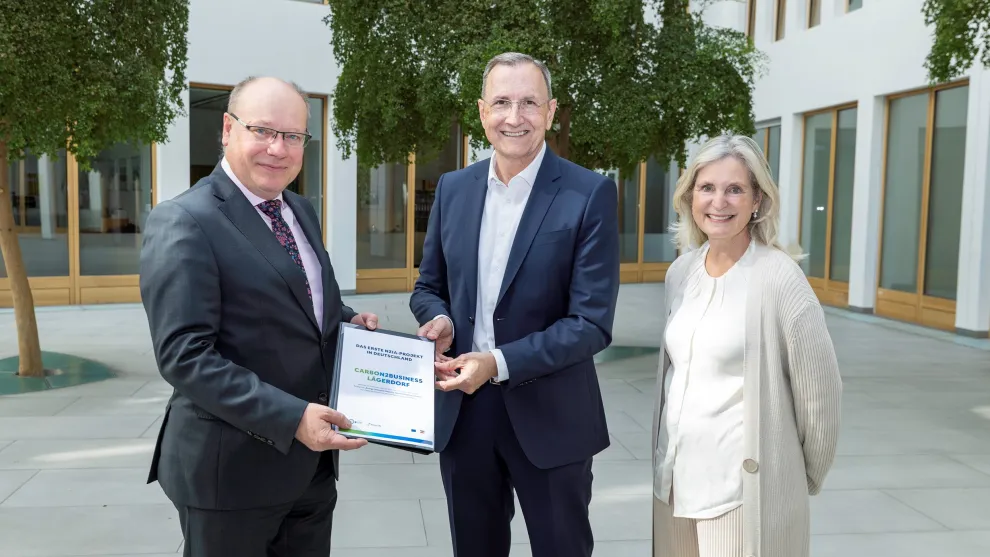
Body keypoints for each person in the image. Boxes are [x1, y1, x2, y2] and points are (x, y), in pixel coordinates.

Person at [139, 76, 373, 557]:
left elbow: (301, 304)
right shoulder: (185, 220)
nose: (277, 148)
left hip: (310, 470)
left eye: (292, 136)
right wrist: (292, 418)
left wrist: (348, 323)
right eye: (262, 130)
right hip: (231, 477)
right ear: (227, 129)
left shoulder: (300, 210)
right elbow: (185, 356)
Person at [409, 52, 620, 557]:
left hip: (552, 416)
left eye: (529, 102)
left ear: (550, 112)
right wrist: (436, 318)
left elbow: (591, 323)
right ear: (482, 112)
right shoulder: (454, 189)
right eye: (502, 102)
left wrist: (498, 362)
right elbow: (428, 285)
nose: (514, 116)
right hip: (464, 414)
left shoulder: (589, 193)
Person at [651, 135, 843, 557]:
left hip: (740, 494)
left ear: (757, 200)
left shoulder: (780, 279)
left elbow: (820, 397)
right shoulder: (681, 273)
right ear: (690, 196)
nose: (719, 201)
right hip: (675, 484)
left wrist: (791, 475)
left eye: (734, 189)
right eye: (707, 187)